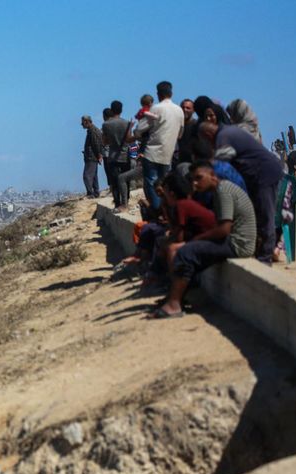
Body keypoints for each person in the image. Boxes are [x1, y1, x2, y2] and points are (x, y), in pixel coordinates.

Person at [150, 162, 256, 318]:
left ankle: (174, 305)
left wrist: (196, 241)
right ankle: (176, 297)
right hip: (234, 240)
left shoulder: (223, 191)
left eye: (199, 178)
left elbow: (224, 229)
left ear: (213, 175)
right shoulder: (220, 190)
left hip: (239, 244)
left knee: (186, 252)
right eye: (193, 179)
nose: (195, 183)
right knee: (187, 250)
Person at [199, 121, 284, 262]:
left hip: (264, 175)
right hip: (260, 175)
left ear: (208, 135)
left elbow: (219, 164)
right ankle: (262, 252)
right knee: (260, 215)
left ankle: (265, 257)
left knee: (265, 216)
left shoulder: (223, 137)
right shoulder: (229, 131)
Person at [132, 81, 185, 211]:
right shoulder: (179, 110)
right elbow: (180, 133)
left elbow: (139, 129)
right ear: (171, 93)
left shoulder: (156, 109)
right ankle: (167, 213)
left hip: (152, 152)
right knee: (166, 184)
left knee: (151, 183)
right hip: (169, 153)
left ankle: (157, 212)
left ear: (158, 94)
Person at [102, 101, 132, 208]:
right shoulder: (127, 123)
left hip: (112, 156)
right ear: (121, 110)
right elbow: (129, 139)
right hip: (125, 154)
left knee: (114, 181)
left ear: (111, 109)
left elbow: (105, 142)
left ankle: (117, 202)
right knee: (125, 179)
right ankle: (126, 200)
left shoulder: (106, 124)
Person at [81, 115, 103, 198]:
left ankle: (90, 194)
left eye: (82, 122)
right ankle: (96, 193)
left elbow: (96, 144)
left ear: (86, 122)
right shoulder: (92, 130)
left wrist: (99, 155)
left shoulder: (93, 131)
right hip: (92, 156)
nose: (81, 124)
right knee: (93, 176)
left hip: (92, 157)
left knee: (87, 175)